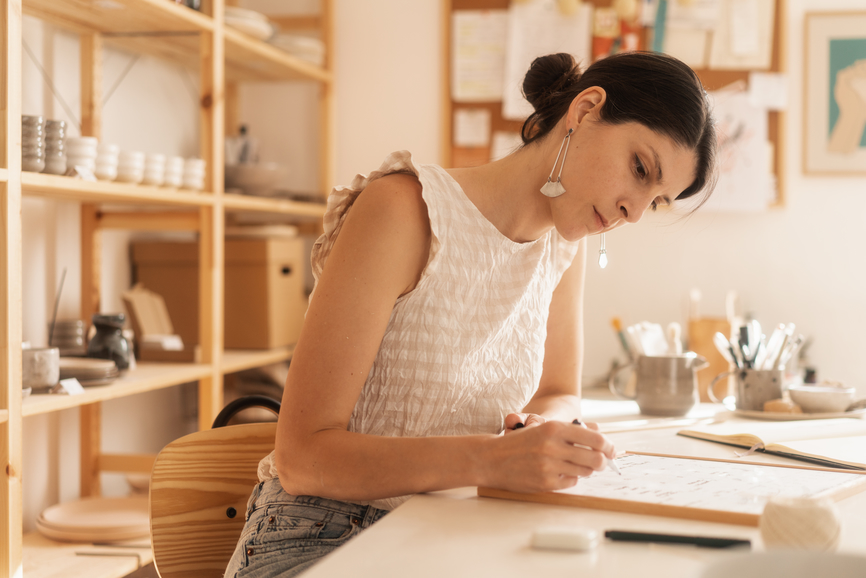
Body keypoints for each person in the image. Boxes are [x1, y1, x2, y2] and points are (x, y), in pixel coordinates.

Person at [225, 50, 717, 578]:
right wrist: (491, 459)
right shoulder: (403, 210)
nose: (634, 213)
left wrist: (540, 435)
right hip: (321, 536)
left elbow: (557, 392)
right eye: (640, 169)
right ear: (585, 111)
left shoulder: (560, 247)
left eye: (657, 201)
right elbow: (302, 458)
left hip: (452, 530)